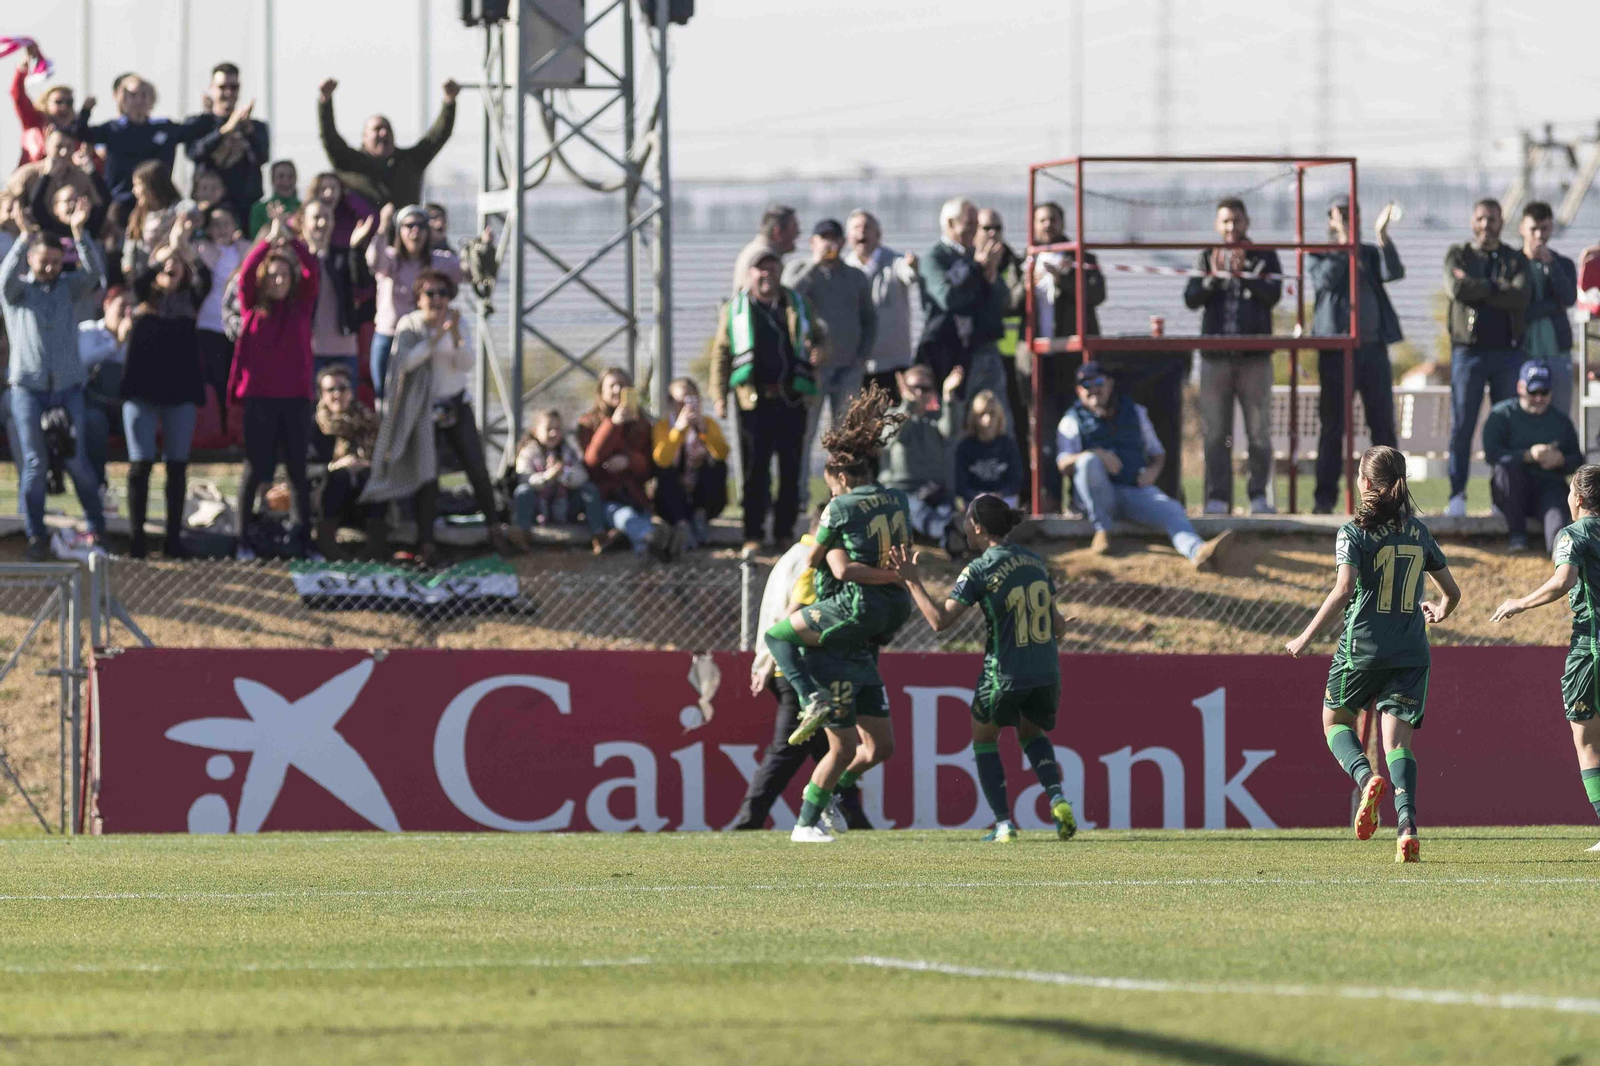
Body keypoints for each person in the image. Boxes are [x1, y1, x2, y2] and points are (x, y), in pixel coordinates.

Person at [1286, 445, 1460, 864]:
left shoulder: (1353, 532)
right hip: (1411, 653)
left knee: (1335, 721)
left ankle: (1366, 778)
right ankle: (1407, 829)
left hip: (1362, 651)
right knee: (1397, 743)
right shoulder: (1419, 533)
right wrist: (1439, 610)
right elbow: (1452, 593)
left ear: (1365, 483)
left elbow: (1344, 589)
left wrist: (1305, 636)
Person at [762, 386, 913, 841]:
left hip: (853, 613)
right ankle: (811, 818)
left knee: (777, 637)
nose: (829, 491)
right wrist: (895, 576)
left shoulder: (840, 509)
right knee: (863, 746)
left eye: (830, 484)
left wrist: (837, 551)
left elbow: (827, 563)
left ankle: (810, 700)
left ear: (841, 478)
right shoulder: (898, 500)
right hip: (884, 617)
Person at [889, 495, 1077, 842]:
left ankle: (1004, 824)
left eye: (966, 520)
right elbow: (1057, 625)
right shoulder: (1034, 561)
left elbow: (939, 621)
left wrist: (912, 580)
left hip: (1005, 673)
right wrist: (1060, 626)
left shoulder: (980, 569)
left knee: (984, 740)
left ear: (977, 527)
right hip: (1047, 672)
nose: (963, 525)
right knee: (1031, 734)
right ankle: (1057, 798)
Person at [361, 267, 512, 566]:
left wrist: (453, 334)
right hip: (422, 410)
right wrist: (435, 336)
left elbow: (466, 363)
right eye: (430, 293)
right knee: (427, 474)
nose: (437, 299)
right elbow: (405, 363)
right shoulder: (410, 324)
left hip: (456, 404)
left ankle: (495, 529)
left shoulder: (458, 322)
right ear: (419, 298)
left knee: (475, 465)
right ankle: (426, 542)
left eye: (443, 293)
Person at [732, 507, 870, 832]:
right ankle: (748, 821)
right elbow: (792, 616)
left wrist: (764, 661)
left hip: (788, 665)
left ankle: (856, 820)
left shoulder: (792, 556)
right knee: (787, 751)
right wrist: (770, 661)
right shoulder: (811, 560)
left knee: (831, 749)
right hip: (800, 668)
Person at [1491, 465, 1600, 853]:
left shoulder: (1573, 534)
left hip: (1591, 648)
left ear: (1579, 498)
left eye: (1570, 491)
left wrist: (1520, 602)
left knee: (1587, 739)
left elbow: (1564, 580)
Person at [2, 198, 107, 560]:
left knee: (77, 461)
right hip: (27, 390)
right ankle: (36, 536)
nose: (49, 268)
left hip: (67, 389)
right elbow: (3, 279)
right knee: (35, 464)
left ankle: (96, 527)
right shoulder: (18, 293)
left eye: (55, 262)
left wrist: (79, 232)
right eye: (43, 261)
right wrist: (23, 237)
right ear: (30, 259)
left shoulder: (67, 287)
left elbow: (94, 274)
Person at [1057, 362, 1229, 568]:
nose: (1093, 389)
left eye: (1099, 382)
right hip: (1096, 500)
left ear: (1110, 383)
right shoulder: (1071, 420)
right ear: (1078, 391)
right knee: (1088, 463)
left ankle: (1198, 552)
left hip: (1133, 490)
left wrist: (1152, 472)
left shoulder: (1135, 412)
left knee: (1172, 509)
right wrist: (1095, 454)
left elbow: (1157, 453)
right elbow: (1063, 463)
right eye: (1086, 385)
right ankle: (1103, 531)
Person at [709, 250, 824, 554]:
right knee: (754, 471)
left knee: (790, 470)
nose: (766, 275)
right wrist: (719, 396)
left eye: (772, 269)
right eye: (760, 270)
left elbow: (820, 337)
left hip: (792, 399)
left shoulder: (797, 304)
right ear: (749, 274)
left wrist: (819, 352)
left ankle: (784, 532)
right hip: (752, 402)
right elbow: (721, 354)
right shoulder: (735, 310)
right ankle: (753, 534)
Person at [1183, 197, 1282, 515]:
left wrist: (1245, 274)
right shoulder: (1205, 256)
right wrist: (1216, 276)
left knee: (1258, 431)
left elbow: (1273, 295)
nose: (1231, 227)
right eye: (1225, 221)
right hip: (1215, 359)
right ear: (1217, 225)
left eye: (1237, 220)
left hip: (1255, 359)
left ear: (1247, 223)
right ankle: (1217, 498)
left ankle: (1258, 496)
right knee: (1215, 433)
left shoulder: (1264, 256)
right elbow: (1191, 298)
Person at [228, 217, 319, 560]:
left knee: (297, 471)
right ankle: (242, 540)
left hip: (296, 401)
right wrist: (268, 240)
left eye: (284, 274)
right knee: (255, 469)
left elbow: (312, 270)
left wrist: (292, 240)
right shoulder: (252, 306)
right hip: (260, 401)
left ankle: (302, 542)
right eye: (273, 275)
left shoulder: (302, 305)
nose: (279, 280)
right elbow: (247, 273)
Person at [1308, 196, 1403, 514]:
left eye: (1353, 213)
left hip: (1373, 350)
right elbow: (1324, 280)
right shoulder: (1320, 253)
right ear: (1331, 219)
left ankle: (1392, 500)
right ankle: (1324, 501)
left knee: (1383, 427)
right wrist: (1344, 244)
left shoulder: (1369, 253)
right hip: (1336, 352)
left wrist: (1382, 236)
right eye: (1342, 214)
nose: (1349, 218)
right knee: (1333, 427)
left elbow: (1394, 271)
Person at [120, 234, 211, 557]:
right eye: (163, 263)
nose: (170, 266)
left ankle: (173, 540)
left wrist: (185, 251)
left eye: (176, 263)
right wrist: (162, 257)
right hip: (141, 392)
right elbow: (140, 280)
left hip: (180, 392)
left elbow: (206, 279)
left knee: (177, 466)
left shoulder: (190, 300)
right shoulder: (141, 297)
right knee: (140, 465)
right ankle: (137, 540)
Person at [1443, 198, 1530, 517]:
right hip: (1468, 352)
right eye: (1481, 218)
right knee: (1462, 426)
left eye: (1492, 219)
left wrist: (1478, 289)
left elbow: (1520, 296)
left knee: (1504, 428)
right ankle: (1457, 496)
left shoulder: (1515, 259)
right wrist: (1496, 287)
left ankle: (1501, 499)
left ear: (1501, 222)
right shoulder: (1458, 255)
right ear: (1472, 221)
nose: (1486, 225)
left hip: (1508, 353)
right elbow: (1457, 288)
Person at [784, 217, 876, 511]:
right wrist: (815, 264)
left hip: (849, 369)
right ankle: (799, 496)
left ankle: (839, 495)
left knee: (843, 437)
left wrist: (862, 356)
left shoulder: (855, 277)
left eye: (834, 238)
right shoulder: (802, 271)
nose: (829, 243)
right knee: (806, 434)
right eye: (823, 238)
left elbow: (869, 319)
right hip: (814, 370)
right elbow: (788, 295)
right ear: (813, 242)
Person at [918, 197, 1011, 432]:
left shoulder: (977, 254)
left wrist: (991, 275)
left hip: (982, 349)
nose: (975, 230)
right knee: (955, 420)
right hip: (947, 353)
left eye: (976, 224)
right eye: (970, 223)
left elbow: (1002, 301)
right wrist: (977, 267)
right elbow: (947, 298)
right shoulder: (935, 257)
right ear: (950, 223)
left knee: (992, 418)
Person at [1026, 200, 1104, 477]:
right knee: (1046, 435)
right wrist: (1025, 284)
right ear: (1033, 225)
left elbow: (1097, 294)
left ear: (1062, 223)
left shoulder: (1081, 257)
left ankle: (1081, 493)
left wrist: (1064, 279)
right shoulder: (1026, 258)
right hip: (1041, 360)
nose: (1048, 225)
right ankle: (1050, 493)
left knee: (1082, 427)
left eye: (1053, 219)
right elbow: (1009, 303)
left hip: (1074, 359)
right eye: (1042, 220)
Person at [359, 202, 462, 400]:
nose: (416, 231)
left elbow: (464, 271)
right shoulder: (390, 258)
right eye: (409, 226)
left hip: (422, 337)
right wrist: (383, 226)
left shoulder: (437, 260)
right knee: (384, 396)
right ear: (399, 230)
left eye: (422, 226)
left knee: (418, 398)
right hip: (389, 336)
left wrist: (482, 251)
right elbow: (373, 260)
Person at [73, 74, 211, 217]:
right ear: (123, 99)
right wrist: (85, 111)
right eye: (133, 95)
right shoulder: (113, 129)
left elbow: (194, 130)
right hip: (121, 203)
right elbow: (81, 133)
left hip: (158, 204)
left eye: (144, 95)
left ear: (152, 100)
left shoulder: (164, 128)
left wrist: (207, 112)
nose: (139, 100)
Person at [1482, 361, 1582, 553]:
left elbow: (1577, 460)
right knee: (1505, 470)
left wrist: (1560, 460)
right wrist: (1528, 455)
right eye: (1533, 392)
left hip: (1549, 488)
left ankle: (1560, 556)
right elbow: (1493, 455)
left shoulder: (1561, 421)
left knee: (1558, 522)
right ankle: (1517, 536)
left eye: (1544, 392)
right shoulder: (1501, 414)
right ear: (1520, 387)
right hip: (1512, 490)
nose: (1538, 398)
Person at [317, 77, 459, 210]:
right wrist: (325, 100)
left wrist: (449, 101)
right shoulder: (349, 162)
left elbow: (437, 136)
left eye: (388, 129)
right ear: (364, 137)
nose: (384, 133)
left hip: (403, 229)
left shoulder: (410, 162)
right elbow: (329, 136)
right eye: (377, 129)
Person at [578, 367, 670, 559]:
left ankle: (645, 555)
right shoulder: (588, 423)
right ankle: (650, 536)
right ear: (601, 391)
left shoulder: (642, 424)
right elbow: (592, 461)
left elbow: (649, 468)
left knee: (637, 522)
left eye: (622, 385)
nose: (617, 390)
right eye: (612, 385)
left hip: (635, 496)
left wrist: (629, 461)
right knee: (625, 516)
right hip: (605, 499)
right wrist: (613, 424)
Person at [882, 362, 964, 554]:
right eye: (914, 388)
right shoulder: (892, 416)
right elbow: (896, 434)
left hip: (934, 489)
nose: (919, 393)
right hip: (902, 490)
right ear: (903, 389)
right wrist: (908, 404)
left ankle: (953, 537)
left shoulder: (936, 418)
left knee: (946, 509)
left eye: (925, 388)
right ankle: (949, 531)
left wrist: (948, 395)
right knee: (918, 510)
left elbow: (950, 430)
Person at [184, 63, 269, 226]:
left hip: (243, 209)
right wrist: (224, 131)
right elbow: (193, 153)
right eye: (222, 87)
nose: (228, 93)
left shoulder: (256, 126)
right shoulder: (199, 123)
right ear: (212, 88)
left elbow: (262, 157)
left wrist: (249, 131)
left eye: (234, 87)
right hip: (207, 209)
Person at [312, 364, 381, 559]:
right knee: (339, 477)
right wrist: (334, 467)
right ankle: (328, 549)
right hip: (326, 495)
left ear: (351, 392)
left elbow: (385, 457)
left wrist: (366, 464)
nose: (337, 394)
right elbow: (304, 467)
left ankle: (375, 550)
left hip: (363, 493)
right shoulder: (313, 425)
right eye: (330, 390)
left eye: (342, 388)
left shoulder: (368, 421)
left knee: (370, 476)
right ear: (321, 395)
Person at [651, 377, 729, 550]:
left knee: (717, 465)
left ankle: (700, 518)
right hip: (672, 498)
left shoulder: (708, 424)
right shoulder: (663, 426)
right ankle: (682, 525)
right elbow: (661, 459)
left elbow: (722, 454)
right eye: (681, 402)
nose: (686, 408)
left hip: (702, 496)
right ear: (671, 403)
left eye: (691, 401)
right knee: (665, 470)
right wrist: (678, 430)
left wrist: (703, 431)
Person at [193, 202, 250, 435]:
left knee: (233, 378)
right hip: (209, 323)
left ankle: (234, 429)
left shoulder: (243, 248)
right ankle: (217, 428)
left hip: (235, 325)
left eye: (227, 224)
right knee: (215, 379)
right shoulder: (203, 248)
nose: (222, 229)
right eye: (216, 224)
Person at [1518, 201, 1578, 419]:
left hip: (1557, 352)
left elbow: (1569, 298)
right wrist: (1552, 306)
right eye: (1533, 229)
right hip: (1522, 352)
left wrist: (1551, 264)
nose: (1539, 235)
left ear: (1551, 228)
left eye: (1544, 229)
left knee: (1560, 414)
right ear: (1522, 228)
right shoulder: (1513, 263)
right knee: (1524, 415)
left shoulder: (1563, 263)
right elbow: (1516, 307)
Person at [300, 198, 363, 386]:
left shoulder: (343, 255)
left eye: (327, 217)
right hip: (308, 349)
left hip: (344, 348)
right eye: (316, 217)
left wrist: (355, 249)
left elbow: (361, 282)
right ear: (304, 222)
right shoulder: (297, 258)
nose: (322, 223)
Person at [512, 408, 602, 535]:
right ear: (535, 431)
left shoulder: (567, 451)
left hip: (564, 505)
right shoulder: (528, 452)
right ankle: (523, 532)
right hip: (537, 506)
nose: (553, 433)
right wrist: (547, 476)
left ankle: (598, 533)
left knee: (589, 489)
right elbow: (524, 478)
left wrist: (563, 474)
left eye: (558, 429)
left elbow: (582, 476)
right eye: (548, 429)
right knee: (523, 492)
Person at [76, 285, 131, 489]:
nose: (127, 312)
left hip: (124, 405)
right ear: (107, 304)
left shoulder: (136, 334)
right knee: (94, 423)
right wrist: (117, 343)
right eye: (122, 305)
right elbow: (83, 359)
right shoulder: (89, 330)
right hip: (94, 403)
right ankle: (98, 486)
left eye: (131, 307)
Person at [954, 389, 1025, 507]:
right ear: (974, 417)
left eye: (992, 414)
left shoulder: (1008, 445)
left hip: (1003, 499)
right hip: (975, 501)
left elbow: (1016, 482)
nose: (987, 420)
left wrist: (1000, 494)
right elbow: (961, 486)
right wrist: (979, 496)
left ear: (999, 416)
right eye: (982, 414)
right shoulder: (965, 447)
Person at [9, 42, 75, 167]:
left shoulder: (75, 130)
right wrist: (23, 69)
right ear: (46, 104)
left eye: (69, 103)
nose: (64, 107)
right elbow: (17, 94)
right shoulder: (33, 121)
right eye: (58, 102)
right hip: (32, 176)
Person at [120, 159, 182, 279]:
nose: (134, 191)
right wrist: (128, 266)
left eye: (137, 185)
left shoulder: (176, 211)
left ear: (152, 185)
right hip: (143, 277)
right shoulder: (138, 214)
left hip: (170, 275)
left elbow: (191, 209)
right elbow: (130, 244)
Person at [731, 204, 799, 295]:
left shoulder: (753, 249)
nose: (798, 233)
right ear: (778, 232)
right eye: (793, 228)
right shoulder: (765, 257)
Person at [249, 160, 300, 239]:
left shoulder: (304, 208)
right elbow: (255, 239)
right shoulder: (259, 209)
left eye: (290, 176)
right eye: (281, 176)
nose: (286, 181)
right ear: (272, 179)